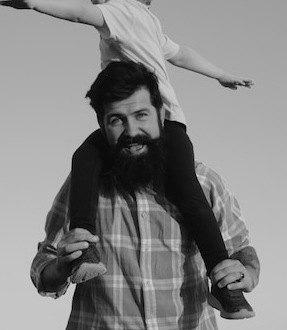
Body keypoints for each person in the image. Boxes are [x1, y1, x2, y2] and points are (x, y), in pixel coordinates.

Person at [1, 0, 254, 315]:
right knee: (185, 193)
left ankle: (87, 246)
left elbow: (79, 14)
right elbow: (182, 53)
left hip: (166, 124)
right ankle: (226, 289)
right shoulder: (148, 22)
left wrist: (36, 4)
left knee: (105, 164)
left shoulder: (121, 11)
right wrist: (222, 75)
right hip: (172, 123)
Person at [31, 62, 260, 328]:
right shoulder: (82, 186)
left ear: (161, 115)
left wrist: (247, 273)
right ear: (102, 127)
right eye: (117, 120)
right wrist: (60, 267)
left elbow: (242, 250)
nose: (131, 131)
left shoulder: (205, 182)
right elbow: (43, 268)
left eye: (141, 115)